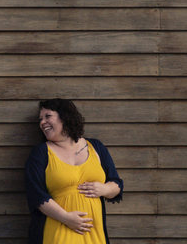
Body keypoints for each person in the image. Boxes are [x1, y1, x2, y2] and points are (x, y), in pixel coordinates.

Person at [23, 98, 123, 244]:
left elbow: (116, 183)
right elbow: (35, 194)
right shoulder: (41, 153)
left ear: (65, 116)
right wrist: (65, 218)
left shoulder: (96, 147)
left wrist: (105, 189)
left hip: (94, 233)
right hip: (58, 230)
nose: (42, 122)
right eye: (40, 119)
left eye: (48, 116)